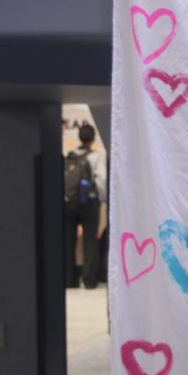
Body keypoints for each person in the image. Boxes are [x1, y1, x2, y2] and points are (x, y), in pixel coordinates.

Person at [64, 122, 106, 289]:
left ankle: (69, 279)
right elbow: (101, 180)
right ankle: (89, 279)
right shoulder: (96, 156)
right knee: (90, 242)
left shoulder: (70, 156)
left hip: (69, 203)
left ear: (79, 137)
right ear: (93, 138)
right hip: (89, 202)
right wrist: (102, 199)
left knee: (68, 242)